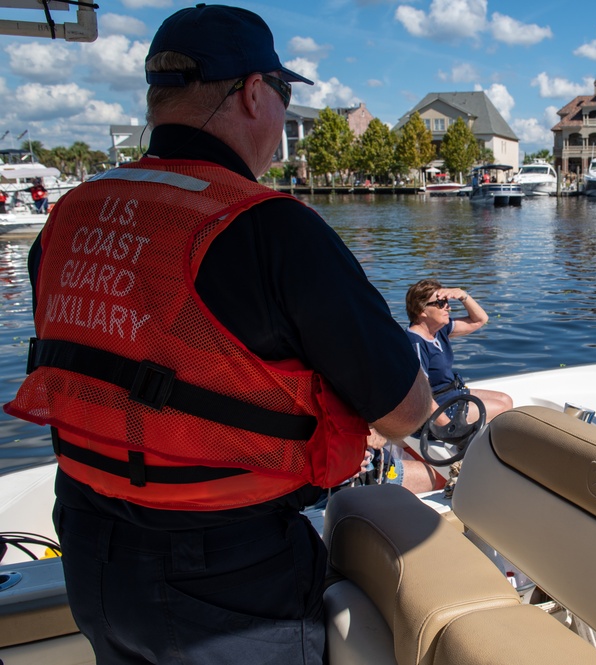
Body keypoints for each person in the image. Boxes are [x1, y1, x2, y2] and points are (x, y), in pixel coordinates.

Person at [2, 5, 432, 664]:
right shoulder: (270, 228)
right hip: (224, 570)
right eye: (282, 98)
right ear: (255, 92)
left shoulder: (67, 216)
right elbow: (404, 411)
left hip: (89, 549)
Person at [405, 279, 513, 427]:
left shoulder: (438, 329)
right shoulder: (415, 344)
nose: (448, 308)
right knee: (502, 408)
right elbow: (420, 396)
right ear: (421, 311)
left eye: (447, 302)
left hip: (451, 393)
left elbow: (480, 320)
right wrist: (449, 428)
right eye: (441, 303)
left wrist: (463, 296)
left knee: (506, 400)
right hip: (435, 409)